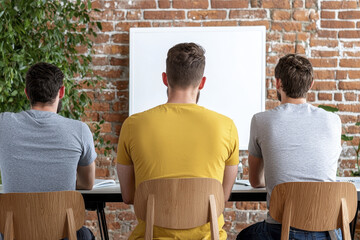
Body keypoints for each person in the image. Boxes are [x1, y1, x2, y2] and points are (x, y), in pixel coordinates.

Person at [117, 42, 239, 240]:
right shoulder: (227, 127)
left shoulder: (133, 125)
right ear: (202, 82)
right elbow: (221, 198)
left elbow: (129, 196)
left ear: (165, 79)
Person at [237, 54, 342, 240]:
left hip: (282, 231)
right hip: (327, 232)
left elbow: (255, 181)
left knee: (244, 237)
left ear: (277, 83)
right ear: (310, 85)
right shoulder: (333, 120)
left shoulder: (261, 121)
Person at [0, 62, 97, 240]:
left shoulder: (2, 124)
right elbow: (87, 183)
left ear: (27, 93)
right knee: (84, 234)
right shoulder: (79, 130)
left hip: (14, 234)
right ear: (61, 92)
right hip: (62, 234)